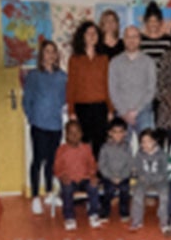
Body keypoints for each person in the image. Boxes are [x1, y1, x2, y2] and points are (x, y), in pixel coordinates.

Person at [20, 38, 67, 215]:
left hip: (55, 124)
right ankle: (35, 197)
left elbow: (64, 99)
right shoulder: (34, 76)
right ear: (42, 55)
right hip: (38, 124)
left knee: (52, 161)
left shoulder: (62, 76)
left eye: (53, 52)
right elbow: (27, 100)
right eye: (47, 51)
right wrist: (32, 118)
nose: (51, 55)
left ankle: (49, 192)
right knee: (38, 160)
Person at [66, 22, 111, 151]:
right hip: (82, 107)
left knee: (100, 145)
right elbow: (71, 86)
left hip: (100, 106)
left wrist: (110, 109)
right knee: (83, 146)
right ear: (82, 36)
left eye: (94, 33)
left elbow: (107, 84)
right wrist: (71, 110)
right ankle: (84, 172)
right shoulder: (74, 59)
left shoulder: (104, 59)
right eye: (88, 33)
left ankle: (98, 172)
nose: (92, 36)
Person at [108, 26, 157, 137]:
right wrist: (124, 112)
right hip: (121, 113)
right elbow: (113, 90)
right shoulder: (115, 62)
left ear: (140, 39)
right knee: (122, 150)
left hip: (144, 111)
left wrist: (136, 111)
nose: (131, 40)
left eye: (135, 36)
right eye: (128, 37)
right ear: (123, 39)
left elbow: (151, 89)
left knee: (149, 146)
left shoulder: (149, 61)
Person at [54, 120, 98, 231]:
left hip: (84, 178)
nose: (74, 135)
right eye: (71, 133)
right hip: (69, 179)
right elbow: (56, 168)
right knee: (67, 189)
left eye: (77, 132)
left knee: (93, 186)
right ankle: (69, 217)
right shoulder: (61, 150)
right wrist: (62, 176)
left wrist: (92, 175)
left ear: (82, 134)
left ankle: (93, 214)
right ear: (66, 135)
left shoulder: (86, 148)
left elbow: (92, 164)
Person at [95, 118, 135, 224]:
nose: (118, 135)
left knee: (125, 189)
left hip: (123, 176)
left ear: (125, 133)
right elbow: (102, 165)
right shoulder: (105, 148)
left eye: (121, 132)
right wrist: (111, 177)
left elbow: (130, 164)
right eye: (115, 132)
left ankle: (124, 212)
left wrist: (122, 176)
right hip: (109, 177)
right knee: (108, 190)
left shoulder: (128, 147)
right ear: (109, 133)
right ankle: (105, 211)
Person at [129, 128, 166, 231]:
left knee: (165, 195)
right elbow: (137, 169)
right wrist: (141, 177)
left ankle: (164, 221)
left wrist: (157, 179)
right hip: (143, 179)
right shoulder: (139, 154)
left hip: (160, 180)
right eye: (143, 142)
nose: (145, 145)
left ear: (155, 141)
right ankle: (136, 221)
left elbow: (165, 170)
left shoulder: (162, 154)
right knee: (137, 194)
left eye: (149, 141)